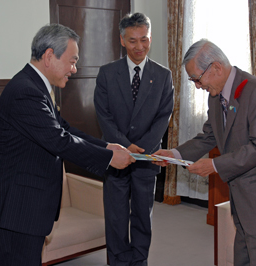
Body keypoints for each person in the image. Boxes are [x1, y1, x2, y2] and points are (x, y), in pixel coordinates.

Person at [0, 23, 135, 266]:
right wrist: (108, 159)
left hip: (24, 205)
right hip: (15, 207)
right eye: (72, 61)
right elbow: (59, 140)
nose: (74, 69)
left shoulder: (35, 86)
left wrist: (107, 147)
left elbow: (63, 128)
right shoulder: (26, 91)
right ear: (50, 56)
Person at [153, 39, 256, 266]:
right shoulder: (216, 96)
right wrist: (174, 154)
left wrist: (214, 165)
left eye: (197, 78)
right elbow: (209, 136)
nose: (197, 86)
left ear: (215, 68)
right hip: (244, 201)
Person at [94, 12, 174, 266]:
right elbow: (103, 115)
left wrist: (143, 149)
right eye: (132, 41)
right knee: (116, 216)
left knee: (142, 216)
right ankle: (117, 261)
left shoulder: (163, 75)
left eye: (144, 40)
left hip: (147, 157)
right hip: (116, 157)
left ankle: (139, 261)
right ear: (122, 40)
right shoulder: (107, 73)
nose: (139, 46)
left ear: (150, 38)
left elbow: (164, 116)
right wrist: (124, 145)